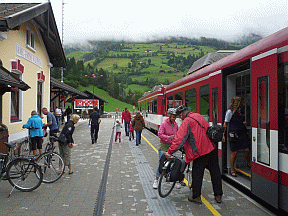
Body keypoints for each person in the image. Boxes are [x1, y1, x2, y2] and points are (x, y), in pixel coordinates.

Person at [165, 105, 223, 204]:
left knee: (197, 173)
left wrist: (169, 152)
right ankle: (218, 195)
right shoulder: (198, 116)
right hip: (211, 148)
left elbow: (179, 140)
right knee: (215, 172)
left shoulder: (186, 121)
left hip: (200, 151)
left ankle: (196, 196)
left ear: (181, 115)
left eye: (179, 116)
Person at [223, 96, 250, 177]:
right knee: (234, 152)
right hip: (233, 133)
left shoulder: (240, 111)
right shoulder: (229, 112)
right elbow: (225, 123)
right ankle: (232, 169)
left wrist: (244, 122)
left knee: (247, 149)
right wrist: (223, 135)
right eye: (239, 102)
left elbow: (242, 120)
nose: (241, 104)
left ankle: (248, 163)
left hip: (242, 132)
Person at [153, 108, 178, 189]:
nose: (174, 118)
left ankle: (171, 180)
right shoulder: (164, 124)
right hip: (163, 146)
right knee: (161, 163)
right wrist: (168, 137)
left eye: (175, 117)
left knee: (173, 164)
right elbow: (160, 134)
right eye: (173, 117)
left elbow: (177, 134)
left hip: (172, 147)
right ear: (169, 116)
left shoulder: (175, 124)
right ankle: (156, 180)